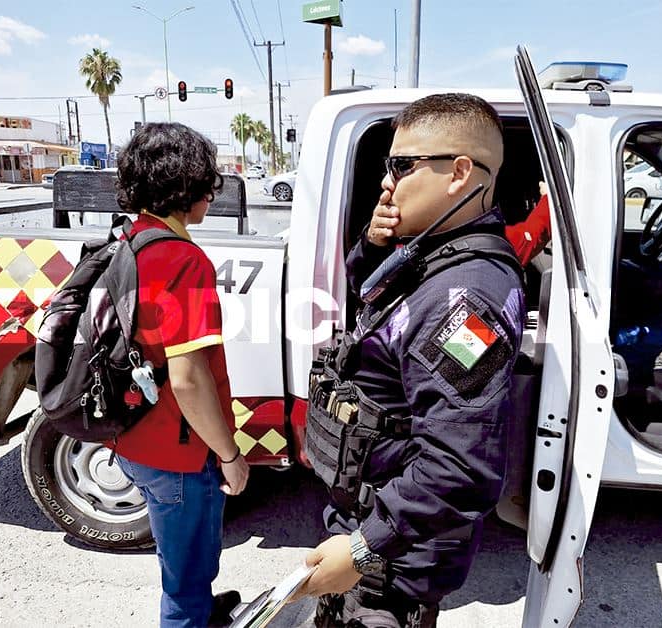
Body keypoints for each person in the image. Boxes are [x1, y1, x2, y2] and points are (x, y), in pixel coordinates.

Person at [299, 93, 527, 627]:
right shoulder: (430, 253)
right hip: (370, 523)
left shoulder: (467, 300)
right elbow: (375, 310)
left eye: (402, 166)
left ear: (460, 173)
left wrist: (362, 550)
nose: (387, 182)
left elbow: (461, 465)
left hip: (393, 560)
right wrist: (374, 248)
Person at [109, 122, 249, 628]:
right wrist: (230, 457)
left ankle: (201, 609)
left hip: (132, 440)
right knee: (185, 585)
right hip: (179, 454)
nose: (210, 197)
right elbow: (189, 380)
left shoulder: (130, 240)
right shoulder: (184, 260)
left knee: (179, 558)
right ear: (187, 188)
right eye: (207, 186)